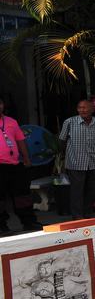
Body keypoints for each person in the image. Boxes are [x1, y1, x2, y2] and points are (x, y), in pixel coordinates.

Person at [0, 96, 42, 233]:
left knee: (22, 195)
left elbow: (20, 141)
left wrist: (26, 158)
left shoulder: (11, 121)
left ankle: (29, 222)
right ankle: (1, 225)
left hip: (15, 164)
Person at [59, 99, 95, 219]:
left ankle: (87, 211)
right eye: (80, 107)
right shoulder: (69, 122)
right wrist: (63, 157)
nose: (82, 110)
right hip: (75, 161)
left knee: (93, 188)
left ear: (92, 109)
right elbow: (62, 140)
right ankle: (77, 215)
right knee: (77, 190)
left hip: (93, 162)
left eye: (85, 107)